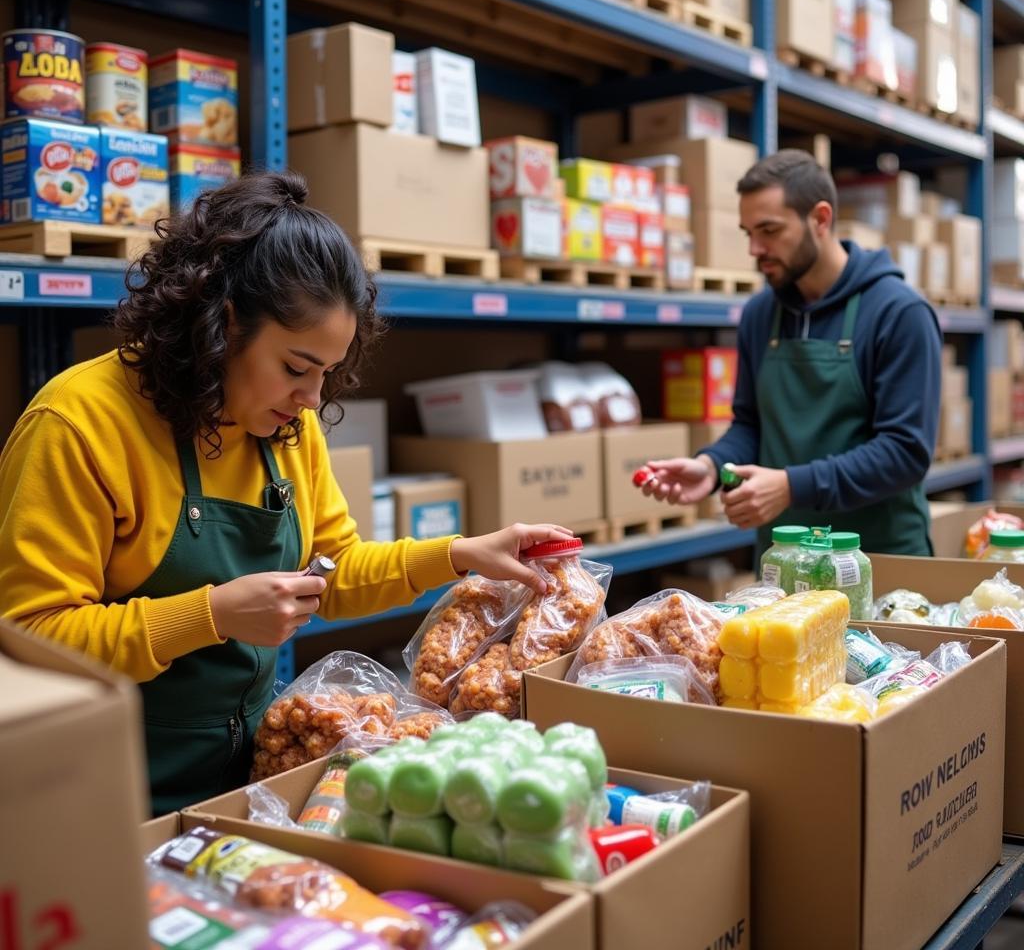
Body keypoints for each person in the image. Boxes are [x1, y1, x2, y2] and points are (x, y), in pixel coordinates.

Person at [0, 171, 571, 813]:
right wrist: (209, 615)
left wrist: (461, 555)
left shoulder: (283, 427)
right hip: (106, 795)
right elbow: (34, 640)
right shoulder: (80, 425)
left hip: (248, 780)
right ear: (219, 323)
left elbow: (334, 570)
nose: (312, 398)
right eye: (297, 368)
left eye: (326, 373)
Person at [639, 149, 941, 557]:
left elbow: (905, 452)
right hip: (785, 565)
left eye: (769, 230)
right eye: (748, 233)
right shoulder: (761, 315)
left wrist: (790, 487)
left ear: (820, 219)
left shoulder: (898, 312)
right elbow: (751, 425)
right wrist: (712, 467)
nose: (755, 249)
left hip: (881, 561)